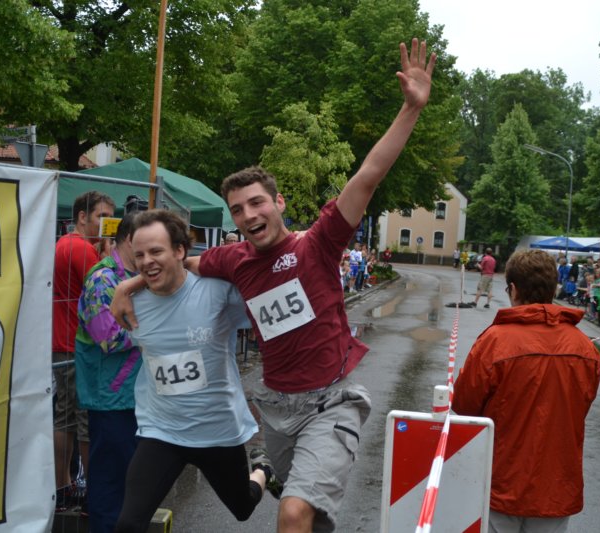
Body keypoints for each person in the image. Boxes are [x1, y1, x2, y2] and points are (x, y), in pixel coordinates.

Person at [112, 38, 436, 532]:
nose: (248, 215)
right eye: (238, 209)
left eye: (257, 203)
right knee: (307, 519)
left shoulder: (318, 244)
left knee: (293, 512)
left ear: (278, 202)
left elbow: (367, 177)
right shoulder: (233, 261)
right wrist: (130, 283)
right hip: (278, 410)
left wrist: (411, 109)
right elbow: (177, 261)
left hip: (330, 401)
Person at [114, 210, 279, 532]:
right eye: (139, 255)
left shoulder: (217, 291)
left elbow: (264, 282)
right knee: (129, 524)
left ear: (180, 250)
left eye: (156, 251)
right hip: (162, 431)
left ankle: (262, 471)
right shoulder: (131, 303)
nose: (147, 261)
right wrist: (127, 286)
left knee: (243, 508)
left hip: (217, 432)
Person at [453, 249, 600, 532]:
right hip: (557, 485)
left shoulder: (495, 341)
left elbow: (464, 405)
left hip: (501, 480)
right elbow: (581, 406)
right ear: (553, 289)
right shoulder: (584, 347)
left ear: (513, 289)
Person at [75, 213, 142, 532]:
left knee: (130, 483)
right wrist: (154, 331)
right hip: (111, 400)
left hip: (132, 396)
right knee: (110, 484)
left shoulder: (132, 276)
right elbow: (108, 338)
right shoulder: (103, 279)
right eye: (147, 244)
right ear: (129, 239)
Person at [53, 190, 115, 509]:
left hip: (62, 342)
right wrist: (109, 255)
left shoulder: (65, 243)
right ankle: (91, 490)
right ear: (82, 216)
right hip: (75, 345)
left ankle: (64, 485)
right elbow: (105, 290)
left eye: (111, 219)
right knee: (83, 418)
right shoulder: (81, 248)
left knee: (65, 414)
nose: (107, 225)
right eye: (102, 217)